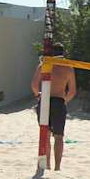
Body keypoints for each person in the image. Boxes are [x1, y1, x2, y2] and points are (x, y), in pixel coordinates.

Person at [30, 43, 77, 171]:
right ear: (63, 53)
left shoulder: (44, 65)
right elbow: (72, 91)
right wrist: (64, 100)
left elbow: (34, 85)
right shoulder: (68, 67)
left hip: (45, 100)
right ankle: (57, 167)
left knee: (45, 134)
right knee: (59, 136)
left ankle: (48, 166)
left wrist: (38, 95)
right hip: (58, 102)